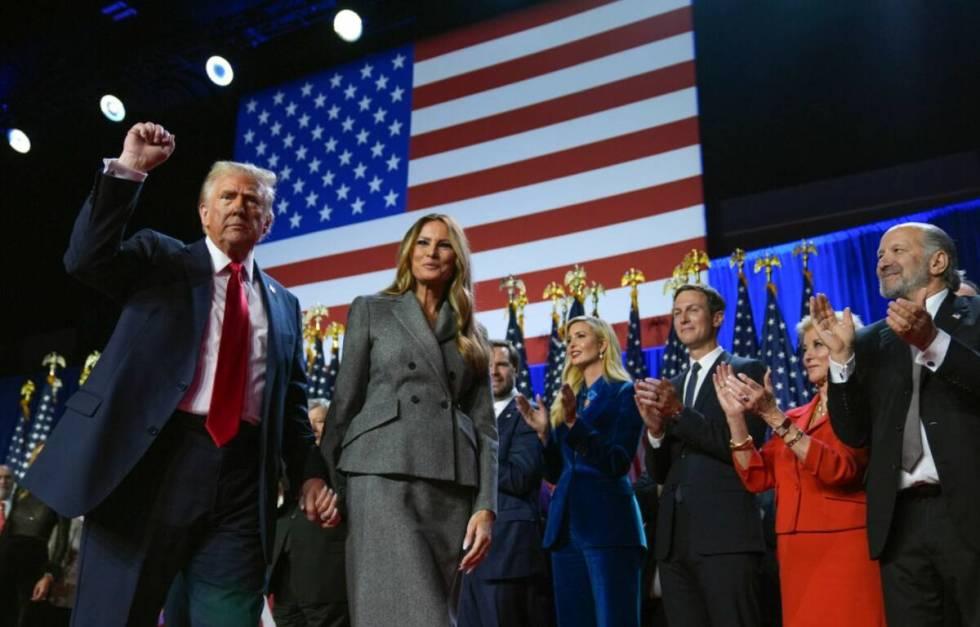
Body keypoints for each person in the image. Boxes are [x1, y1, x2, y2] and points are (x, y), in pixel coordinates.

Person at [22, 121, 336, 626]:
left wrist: (311, 475)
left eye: (253, 201)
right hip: (149, 463)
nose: (240, 206)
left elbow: (293, 408)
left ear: (268, 222)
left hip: (241, 480)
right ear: (204, 212)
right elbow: (86, 258)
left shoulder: (284, 305)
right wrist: (129, 171)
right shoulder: (161, 259)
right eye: (228, 196)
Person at [320, 214, 498, 627]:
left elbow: (486, 427)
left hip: (450, 486)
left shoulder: (473, 332)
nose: (431, 253)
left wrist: (486, 505)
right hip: (381, 475)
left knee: (439, 610)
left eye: (443, 245)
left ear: (458, 258)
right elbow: (345, 401)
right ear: (408, 252)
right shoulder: (372, 310)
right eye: (422, 243)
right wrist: (325, 479)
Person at [812, 222, 980, 626]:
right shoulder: (871, 340)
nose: (883, 261)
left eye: (897, 251)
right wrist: (842, 362)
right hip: (900, 522)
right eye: (878, 256)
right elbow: (854, 433)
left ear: (938, 261)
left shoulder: (975, 317)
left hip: (970, 512)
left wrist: (933, 342)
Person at [713, 313, 886, 627]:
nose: (807, 355)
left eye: (817, 344)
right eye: (804, 347)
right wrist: (735, 419)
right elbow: (757, 477)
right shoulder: (796, 415)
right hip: (794, 549)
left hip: (844, 544)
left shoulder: (860, 408)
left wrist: (773, 416)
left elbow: (840, 470)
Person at [635, 284, 766, 627]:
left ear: (718, 318)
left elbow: (743, 446)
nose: (683, 318)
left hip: (726, 536)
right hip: (675, 541)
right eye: (677, 313)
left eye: (692, 309)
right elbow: (661, 474)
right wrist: (656, 433)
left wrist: (678, 413)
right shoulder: (672, 384)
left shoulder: (744, 369)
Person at [517, 316, 646, 627]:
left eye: (580, 336)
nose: (571, 344)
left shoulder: (623, 393)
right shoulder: (569, 400)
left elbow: (617, 462)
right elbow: (557, 472)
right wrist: (545, 435)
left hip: (608, 528)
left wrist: (576, 425)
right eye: (569, 339)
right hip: (565, 532)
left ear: (602, 345)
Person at [458, 340, 551, 627]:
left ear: (516, 369)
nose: (493, 372)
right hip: (464, 553)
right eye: (487, 365)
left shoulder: (526, 414)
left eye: (501, 364)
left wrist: (471, 456)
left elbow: (521, 476)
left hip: (507, 551)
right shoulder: (465, 417)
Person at [269, 399, 350, 627]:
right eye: (309, 423)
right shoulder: (293, 458)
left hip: (326, 572)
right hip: (284, 565)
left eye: (320, 421)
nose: (314, 428)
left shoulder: (341, 458)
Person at [0, 467, 69, 627]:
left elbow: (62, 541)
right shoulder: (21, 492)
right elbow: (8, 531)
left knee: (23, 619)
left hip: (33, 567)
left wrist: (49, 575)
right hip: (5, 561)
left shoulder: (61, 498)